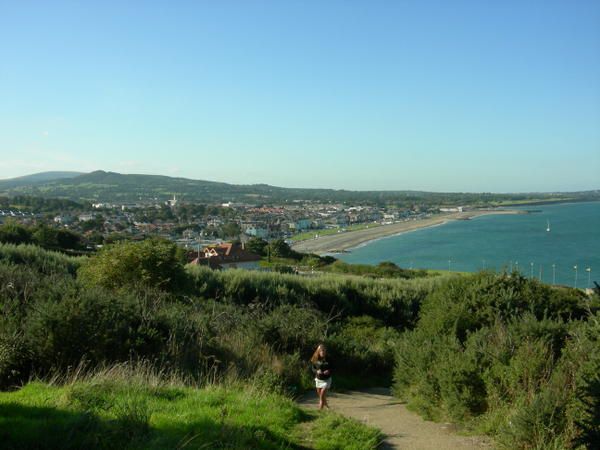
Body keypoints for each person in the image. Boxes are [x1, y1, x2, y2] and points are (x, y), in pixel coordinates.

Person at [310, 344, 332, 410]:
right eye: (321, 351)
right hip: (318, 379)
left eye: (324, 351)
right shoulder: (315, 358)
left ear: (325, 351)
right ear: (318, 351)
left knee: (322, 395)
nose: (323, 352)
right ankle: (327, 406)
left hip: (327, 380)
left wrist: (329, 371)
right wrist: (317, 371)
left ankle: (320, 410)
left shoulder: (329, 358)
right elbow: (312, 368)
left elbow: (334, 368)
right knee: (320, 396)